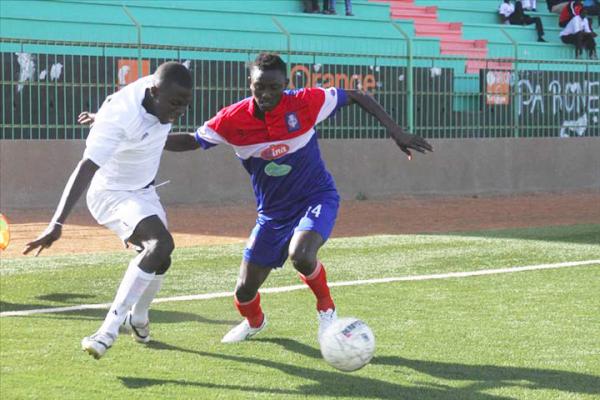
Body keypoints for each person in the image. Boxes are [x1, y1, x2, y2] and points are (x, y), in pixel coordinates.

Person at [164, 53, 433, 344]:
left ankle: (326, 309)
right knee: (244, 291)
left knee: (302, 255)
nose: (266, 94)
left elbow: (356, 95)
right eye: (259, 87)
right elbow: (193, 140)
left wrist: (396, 132)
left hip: (315, 197)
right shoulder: (232, 119)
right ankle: (255, 322)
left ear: (286, 84)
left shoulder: (306, 102)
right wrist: (148, 138)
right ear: (250, 83)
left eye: (274, 87)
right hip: (273, 214)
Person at [23, 62, 193, 359]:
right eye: (175, 104)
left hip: (144, 192)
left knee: (161, 259)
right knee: (161, 243)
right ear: (154, 92)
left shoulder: (156, 96)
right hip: (111, 194)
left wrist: (99, 118)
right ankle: (107, 331)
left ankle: (137, 319)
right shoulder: (121, 115)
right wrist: (57, 222)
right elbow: (86, 167)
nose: (180, 111)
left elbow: (153, 134)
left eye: (185, 105)